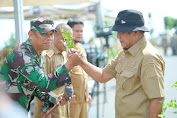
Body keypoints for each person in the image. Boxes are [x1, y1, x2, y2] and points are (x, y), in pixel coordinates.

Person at [69, 9, 165, 118]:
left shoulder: (149, 58)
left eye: (122, 32)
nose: (118, 36)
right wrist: (81, 61)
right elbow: (103, 76)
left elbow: (157, 100)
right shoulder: (124, 53)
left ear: (136, 32)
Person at [0, 17, 81, 112]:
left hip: (17, 109)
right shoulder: (22, 54)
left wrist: (54, 98)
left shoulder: (39, 55)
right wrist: (69, 65)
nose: (49, 38)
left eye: (51, 34)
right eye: (44, 34)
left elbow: (36, 87)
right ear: (31, 35)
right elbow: (44, 83)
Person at [34, 23, 73, 118]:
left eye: (69, 40)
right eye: (64, 39)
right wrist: (45, 109)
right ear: (54, 36)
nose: (66, 43)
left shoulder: (64, 54)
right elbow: (40, 86)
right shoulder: (46, 56)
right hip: (50, 109)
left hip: (62, 106)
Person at [67, 18, 92, 118]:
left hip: (83, 97)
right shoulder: (66, 49)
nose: (80, 33)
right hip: (72, 99)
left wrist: (88, 93)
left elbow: (84, 73)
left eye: (81, 31)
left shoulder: (81, 47)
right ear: (68, 32)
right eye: (76, 31)